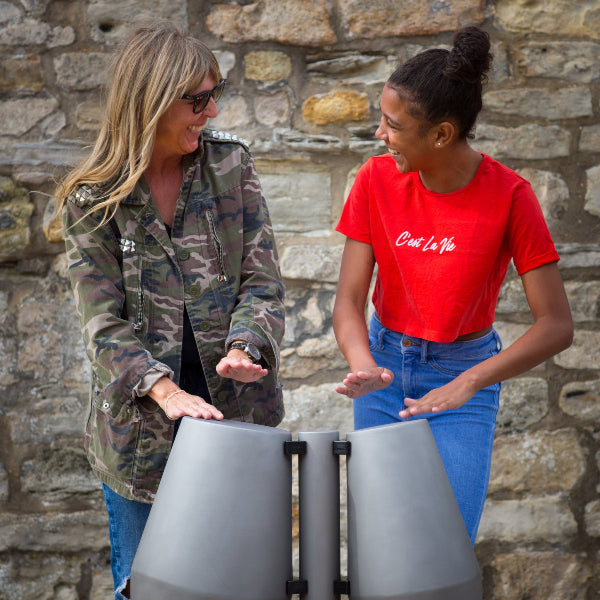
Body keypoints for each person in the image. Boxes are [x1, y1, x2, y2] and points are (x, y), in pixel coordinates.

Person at [55, 23, 285, 599]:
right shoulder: (93, 197)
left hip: (235, 418)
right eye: (198, 100)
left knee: (240, 585)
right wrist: (164, 390)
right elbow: (101, 323)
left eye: (215, 94)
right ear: (152, 100)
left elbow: (261, 282)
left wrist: (245, 346)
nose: (212, 111)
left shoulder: (230, 166)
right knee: (148, 588)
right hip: (141, 436)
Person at [332, 25, 573, 544]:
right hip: (383, 373)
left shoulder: (511, 196)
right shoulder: (375, 180)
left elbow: (556, 325)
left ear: (441, 134)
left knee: (445, 549)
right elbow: (348, 301)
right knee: (380, 547)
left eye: (393, 125)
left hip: (463, 377)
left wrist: (469, 383)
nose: (380, 134)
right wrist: (362, 364)